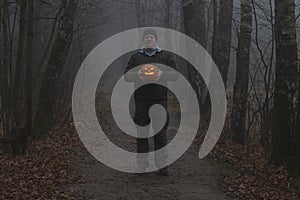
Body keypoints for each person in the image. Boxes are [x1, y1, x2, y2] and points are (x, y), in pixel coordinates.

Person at [124, 28, 178, 176]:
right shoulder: (136, 57)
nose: (149, 39)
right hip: (141, 100)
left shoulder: (166, 56)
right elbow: (127, 76)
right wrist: (138, 75)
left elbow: (175, 75)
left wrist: (161, 74)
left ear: (155, 40)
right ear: (144, 40)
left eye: (151, 37)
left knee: (160, 133)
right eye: (147, 37)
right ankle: (142, 166)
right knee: (142, 133)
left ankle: (162, 166)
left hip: (159, 100)